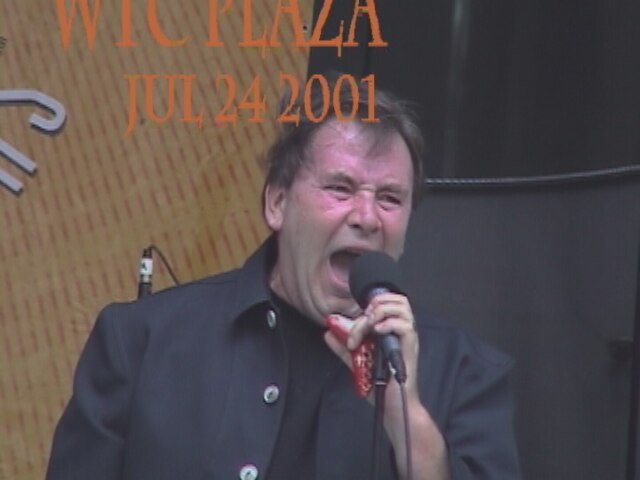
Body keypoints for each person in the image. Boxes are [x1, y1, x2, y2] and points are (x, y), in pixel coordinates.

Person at [45, 75, 521, 480]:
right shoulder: (140, 342)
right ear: (276, 202)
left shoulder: (466, 373)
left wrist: (406, 415)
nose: (367, 217)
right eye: (340, 188)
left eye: (390, 199)